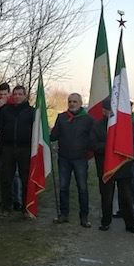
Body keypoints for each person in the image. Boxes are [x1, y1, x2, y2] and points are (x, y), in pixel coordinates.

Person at [90, 97, 134, 234]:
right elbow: (93, 144)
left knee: (126, 197)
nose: (111, 113)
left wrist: (121, 147)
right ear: (103, 111)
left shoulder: (126, 125)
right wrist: (110, 147)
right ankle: (105, 222)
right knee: (106, 196)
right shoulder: (97, 126)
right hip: (105, 167)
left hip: (123, 167)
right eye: (108, 110)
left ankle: (131, 224)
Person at [50, 93, 94, 227]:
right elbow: (54, 136)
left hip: (80, 159)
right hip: (64, 158)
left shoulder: (88, 119)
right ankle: (64, 214)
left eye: (75, 101)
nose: (72, 104)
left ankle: (84, 217)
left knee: (82, 188)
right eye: (70, 101)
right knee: (63, 187)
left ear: (80, 103)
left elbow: (92, 139)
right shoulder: (62, 117)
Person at [0, 85, 34, 219]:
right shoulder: (5, 111)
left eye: (20, 94)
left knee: (26, 180)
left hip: (25, 149)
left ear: (25, 95)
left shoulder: (32, 112)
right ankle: (6, 207)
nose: (17, 96)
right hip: (8, 148)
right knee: (6, 179)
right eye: (15, 94)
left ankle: (26, 208)